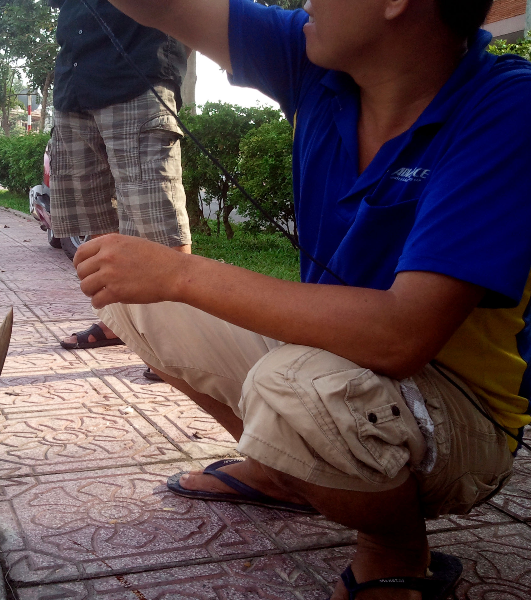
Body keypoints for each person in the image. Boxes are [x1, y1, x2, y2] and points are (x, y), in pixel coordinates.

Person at [70, 0, 531, 598]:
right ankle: (284, 474)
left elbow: (402, 335)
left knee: (293, 389)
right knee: (135, 300)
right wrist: (162, 284)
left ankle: (394, 548)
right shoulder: (319, 57)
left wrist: (181, 274)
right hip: (335, 366)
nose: (303, 1)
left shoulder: (506, 107)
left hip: (460, 414)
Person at [49, 0, 192, 374]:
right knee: (96, 224)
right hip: (74, 83)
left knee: (157, 218)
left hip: (137, 71)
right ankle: (119, 320)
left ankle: (177, 339)